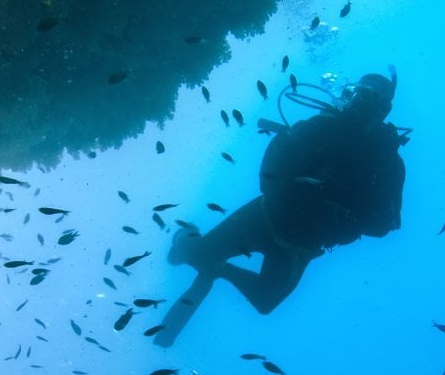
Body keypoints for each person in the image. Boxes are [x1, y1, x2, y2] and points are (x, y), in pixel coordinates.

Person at [154, 70, 406, 346]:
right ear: (350, 94)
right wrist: (293, 188)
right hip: (265, 215)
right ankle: (188, 237)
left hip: (301, 244)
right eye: (360, 93)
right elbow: (269, 174)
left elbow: (385, 224)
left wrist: (334, 200)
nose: (362, 102)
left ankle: (218, 268)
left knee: (265, 301)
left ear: (385, 109)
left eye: (373, 99)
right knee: (190, 256)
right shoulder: (319, 126)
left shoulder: (388, 163)